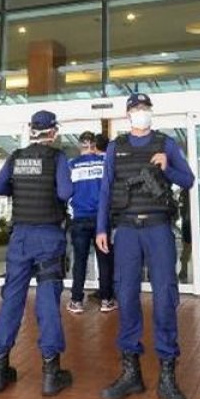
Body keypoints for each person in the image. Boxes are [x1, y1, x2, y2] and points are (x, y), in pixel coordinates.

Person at [96, 92, 195, 399]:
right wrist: (101, 228)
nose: (141, 113)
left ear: (151, 112)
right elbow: (106, 188)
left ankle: (167, 374)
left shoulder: (166, 144)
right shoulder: (116, 146)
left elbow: (189, 180)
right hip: (125, 230)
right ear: (128, 115)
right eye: (135, 109)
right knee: (125, 296)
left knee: (165, 296)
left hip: (157, 228)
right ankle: (131, 372)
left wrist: (167, 168)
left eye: (145, 108)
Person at [0, 110, 75, 396]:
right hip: (48, 235)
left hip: (20, 237)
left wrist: (19, 186)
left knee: (12, 298)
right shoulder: (57, 158)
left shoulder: (15, 157)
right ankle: (51, 373)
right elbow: (64, 193)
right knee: (47, 299)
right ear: (53, 132)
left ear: (31, 130)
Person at [66, 131, 116, 314]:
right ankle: (106, 300)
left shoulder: (70, 165)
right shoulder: (104, 164)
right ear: (94, 145)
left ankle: (76, 301)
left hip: (79, 218)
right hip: (101, 220)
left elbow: (65, 191)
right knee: (104, 261)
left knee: (79, 261)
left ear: (80, 146)